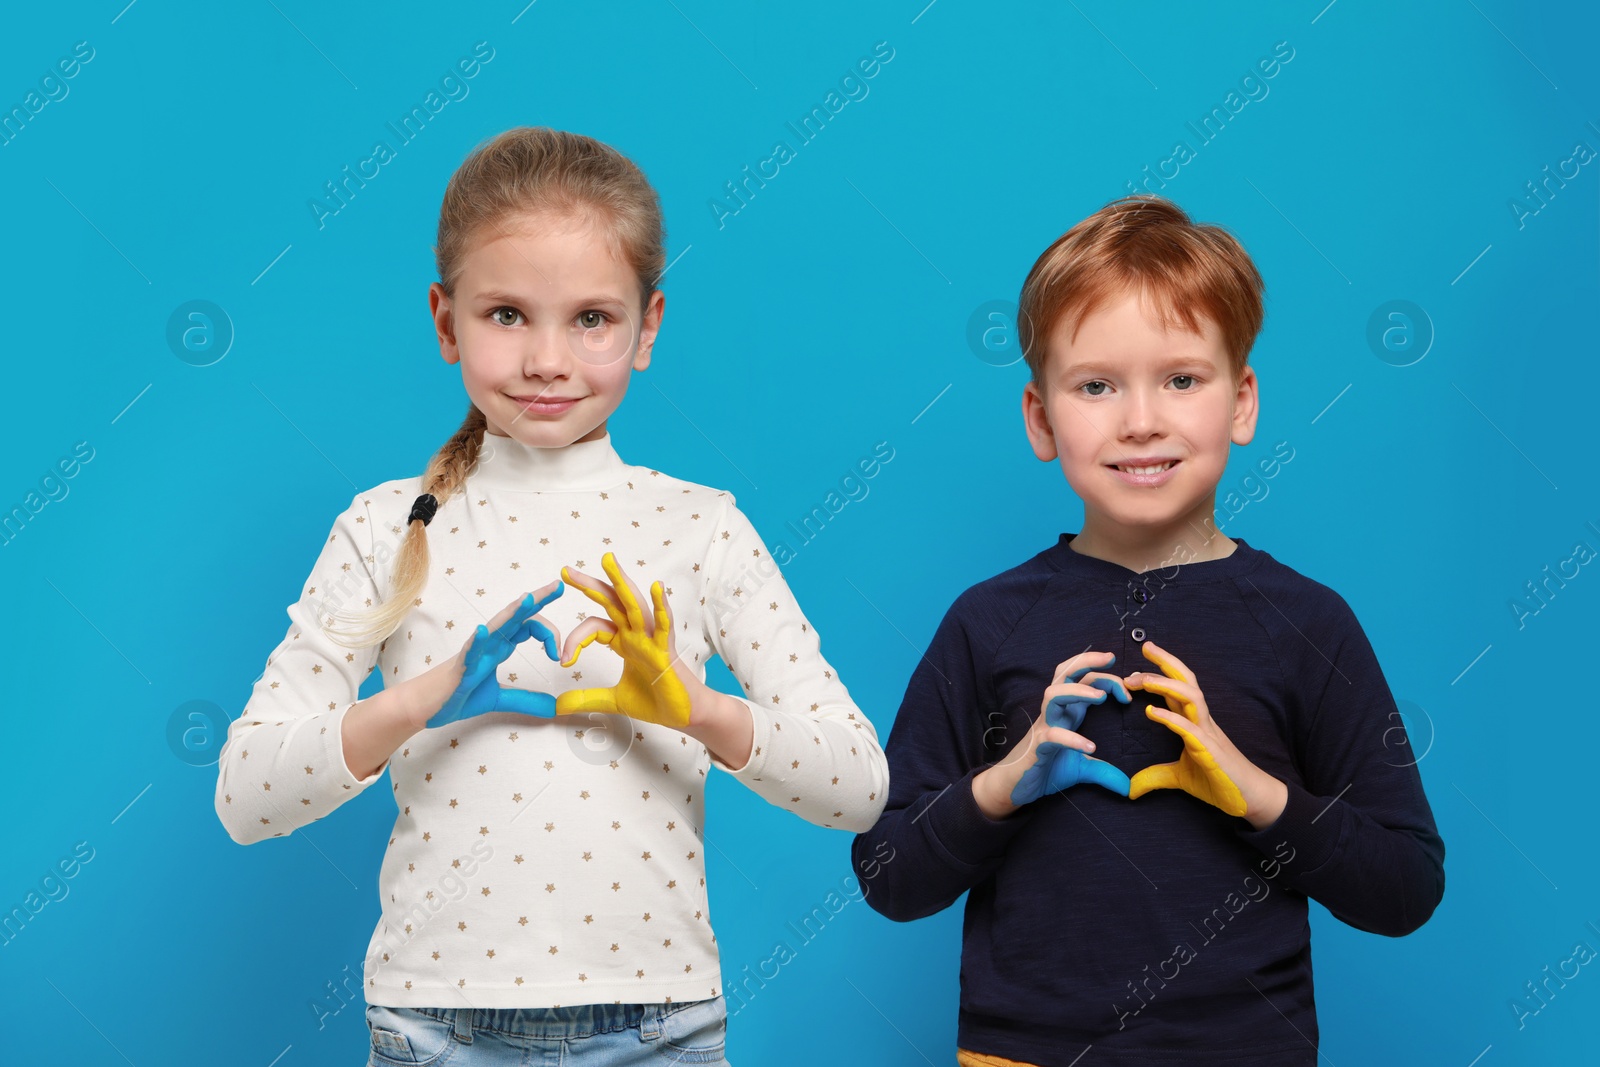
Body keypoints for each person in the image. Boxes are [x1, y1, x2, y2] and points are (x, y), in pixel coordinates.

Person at [215, 126, 888, 1066]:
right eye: (505, 315)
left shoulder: (700, 527)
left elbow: (859, 786)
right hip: (431, 1027)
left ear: (647, 326)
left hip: (662, 1028)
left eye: (590, 318)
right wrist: (419, 701)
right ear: (445, 320)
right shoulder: (384, 526)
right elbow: (246, 796)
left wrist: (694, 709)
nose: (546, 359)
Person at [850, 194, 1444, 1067]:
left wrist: (1251, 791)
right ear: (1042, 419)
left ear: (1241, 403)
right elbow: (887, 873)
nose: (1140, 419)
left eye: (1181, 378)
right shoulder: (989, 621)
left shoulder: (1307, 621)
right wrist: (1005, 782)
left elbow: (1406, 886)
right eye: (1096, 385)